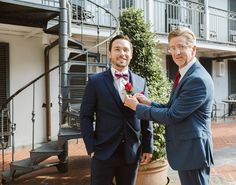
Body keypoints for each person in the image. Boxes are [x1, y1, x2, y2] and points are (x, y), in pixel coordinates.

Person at [124, 27, 214, 185]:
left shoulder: (197, 79)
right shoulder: (185, 73)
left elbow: (172, 116)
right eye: (172, 48)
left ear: (193, 49)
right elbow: (172, 107)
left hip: (193, 151)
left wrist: (136, 107)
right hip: (189, 150)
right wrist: (150, 102)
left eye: (181, 46)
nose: (176, 52)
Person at [80, 34, 153, 185]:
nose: (122, 53)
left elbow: (145, 116)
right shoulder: (95, 82)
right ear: (110, 53)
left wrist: (148, 146)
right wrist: (91, 145)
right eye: (117, 49)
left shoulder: (140, 82)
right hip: (103, 151)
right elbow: (85, 116)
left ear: (131, 54)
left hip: (131, 152)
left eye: (126, 50)